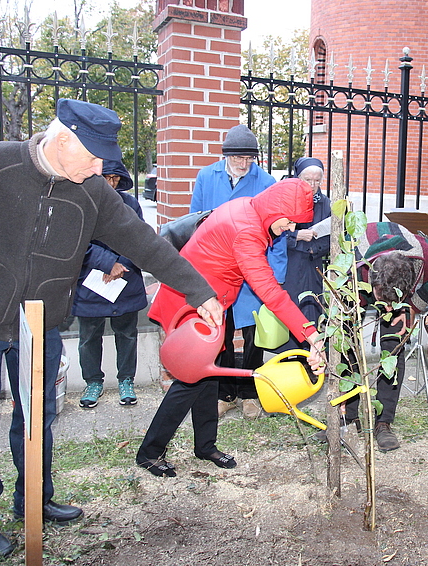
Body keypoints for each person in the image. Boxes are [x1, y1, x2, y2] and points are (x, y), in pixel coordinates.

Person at [0, 98, 224, 563]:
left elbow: (143, 243)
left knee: (37, 416)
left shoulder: (93, 191)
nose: (101, 167)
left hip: (39, 322)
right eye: (93, 156)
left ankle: (33, 499)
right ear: (62, 141)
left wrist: (199, 292)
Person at [136, 178, 326, 477]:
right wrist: (310, 334)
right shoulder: (248, 233)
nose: (291, 229)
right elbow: (270, 293)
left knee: (208, 374)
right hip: (190, 307)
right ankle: (150, 452)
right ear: (276, 209)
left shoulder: (249, 208)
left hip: (209, 305)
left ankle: (205, 445)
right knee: (188, 381)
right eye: (290, 222)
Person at [190, 124, 283, 419]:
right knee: (222, 333)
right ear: (226, 155)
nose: (244, 164)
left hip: (253, 269)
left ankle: (249, 392)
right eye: (238, 158)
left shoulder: (266, 181)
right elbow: (194, 222)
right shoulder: (207, 177)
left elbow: (279, 231)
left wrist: (276, 275)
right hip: (217, 270)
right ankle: (225, 392)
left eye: (249, 158)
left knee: (254, 334)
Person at [340, 221, 428, 452]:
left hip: (400, 291)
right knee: (347, 347)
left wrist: (412, 306)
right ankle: (348, 419)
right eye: (385, 302)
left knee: (393, 348)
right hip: (359, 287)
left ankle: (383, 423)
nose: (387, 309)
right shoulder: (355, 265)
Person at [72, 159, 147, 408]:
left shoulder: (130, 204)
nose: (111, 183)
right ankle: (93, 381)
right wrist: (106, 263)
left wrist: (120, 265)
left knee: (127, 333)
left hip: (125, 280)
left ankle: (127, 380)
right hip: (90, 281)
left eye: (115, 178)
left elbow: (140, 237)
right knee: (89, 336)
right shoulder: (79, 203)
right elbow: (76, 242)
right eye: (106, 178)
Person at [276, 157, 331, 351]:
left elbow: (333, 236)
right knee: (291, 309)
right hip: (291, 265)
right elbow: (276, 232)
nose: (314, 185)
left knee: (311, 310)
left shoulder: (325, 203)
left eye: (318, 180)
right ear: (299, 179)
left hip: (314, 266)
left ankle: (310, 357)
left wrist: (314, 247)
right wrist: (297, 235)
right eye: (309, 180)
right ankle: (288, 356)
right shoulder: (287, 199)